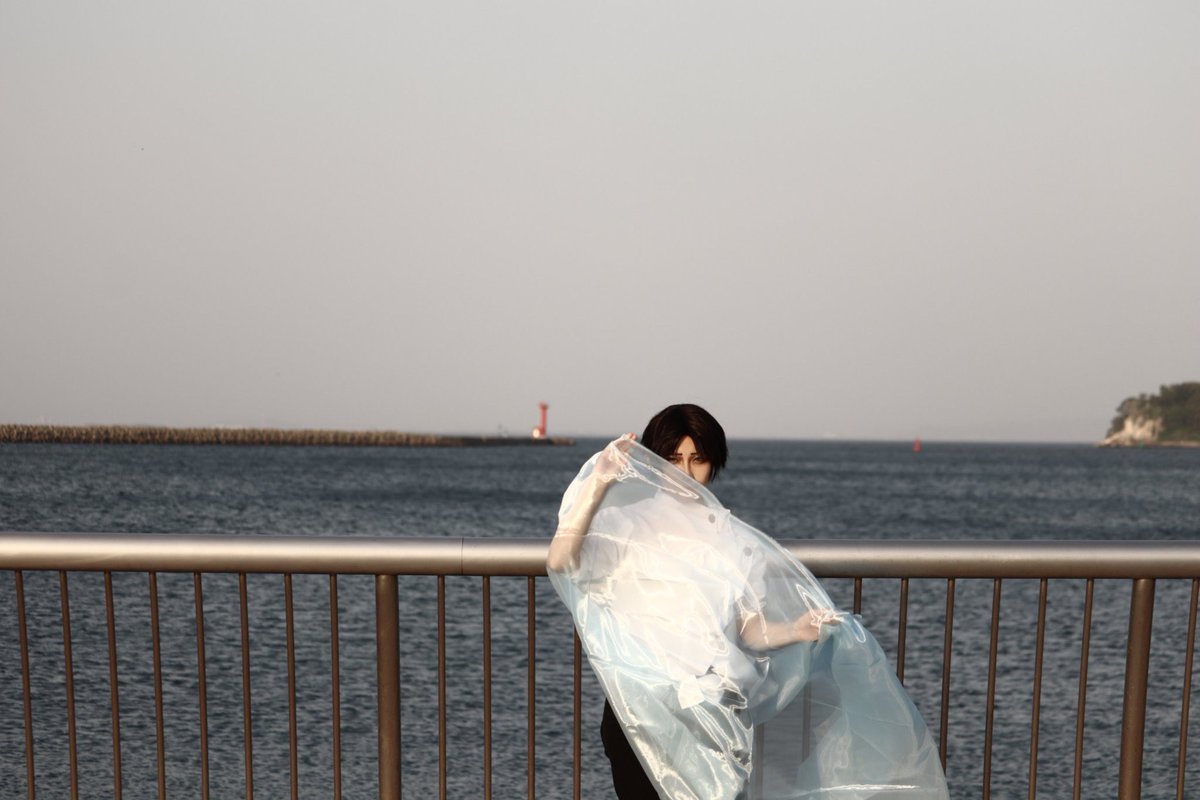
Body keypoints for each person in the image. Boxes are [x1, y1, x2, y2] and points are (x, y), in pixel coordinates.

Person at [547, 404, 846, 799]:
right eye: (673, 459)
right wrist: (598, 483)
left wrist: (795, 629)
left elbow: (745, 630)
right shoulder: (627, 525)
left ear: (715, 462)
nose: (685, 473)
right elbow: (561, 560)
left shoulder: (733, 540)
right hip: (639, 712)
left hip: (711, 716)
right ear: (654, 461)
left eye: (698, 459)